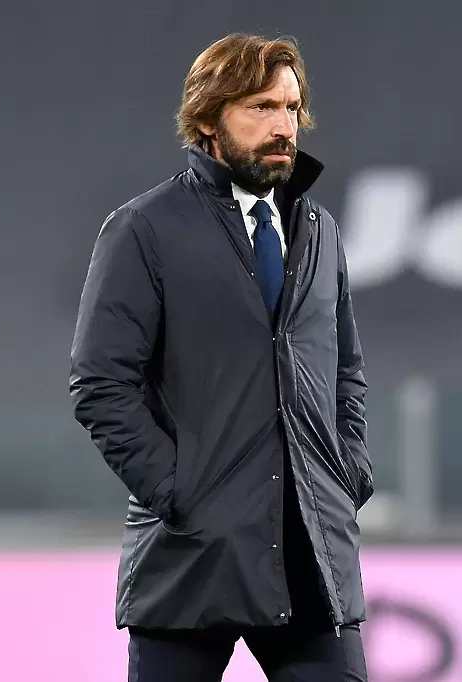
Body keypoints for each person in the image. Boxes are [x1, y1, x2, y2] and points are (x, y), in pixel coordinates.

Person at [69, 33, 372, 681]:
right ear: (208, 120)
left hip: (312, 553)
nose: (283, 126)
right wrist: (178, 493)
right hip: (192, 556)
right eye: (260, 107)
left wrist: (347, 474)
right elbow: (101, 384)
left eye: (291, 108)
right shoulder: (145, 228)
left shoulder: (319, 230)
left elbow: (344, 371)